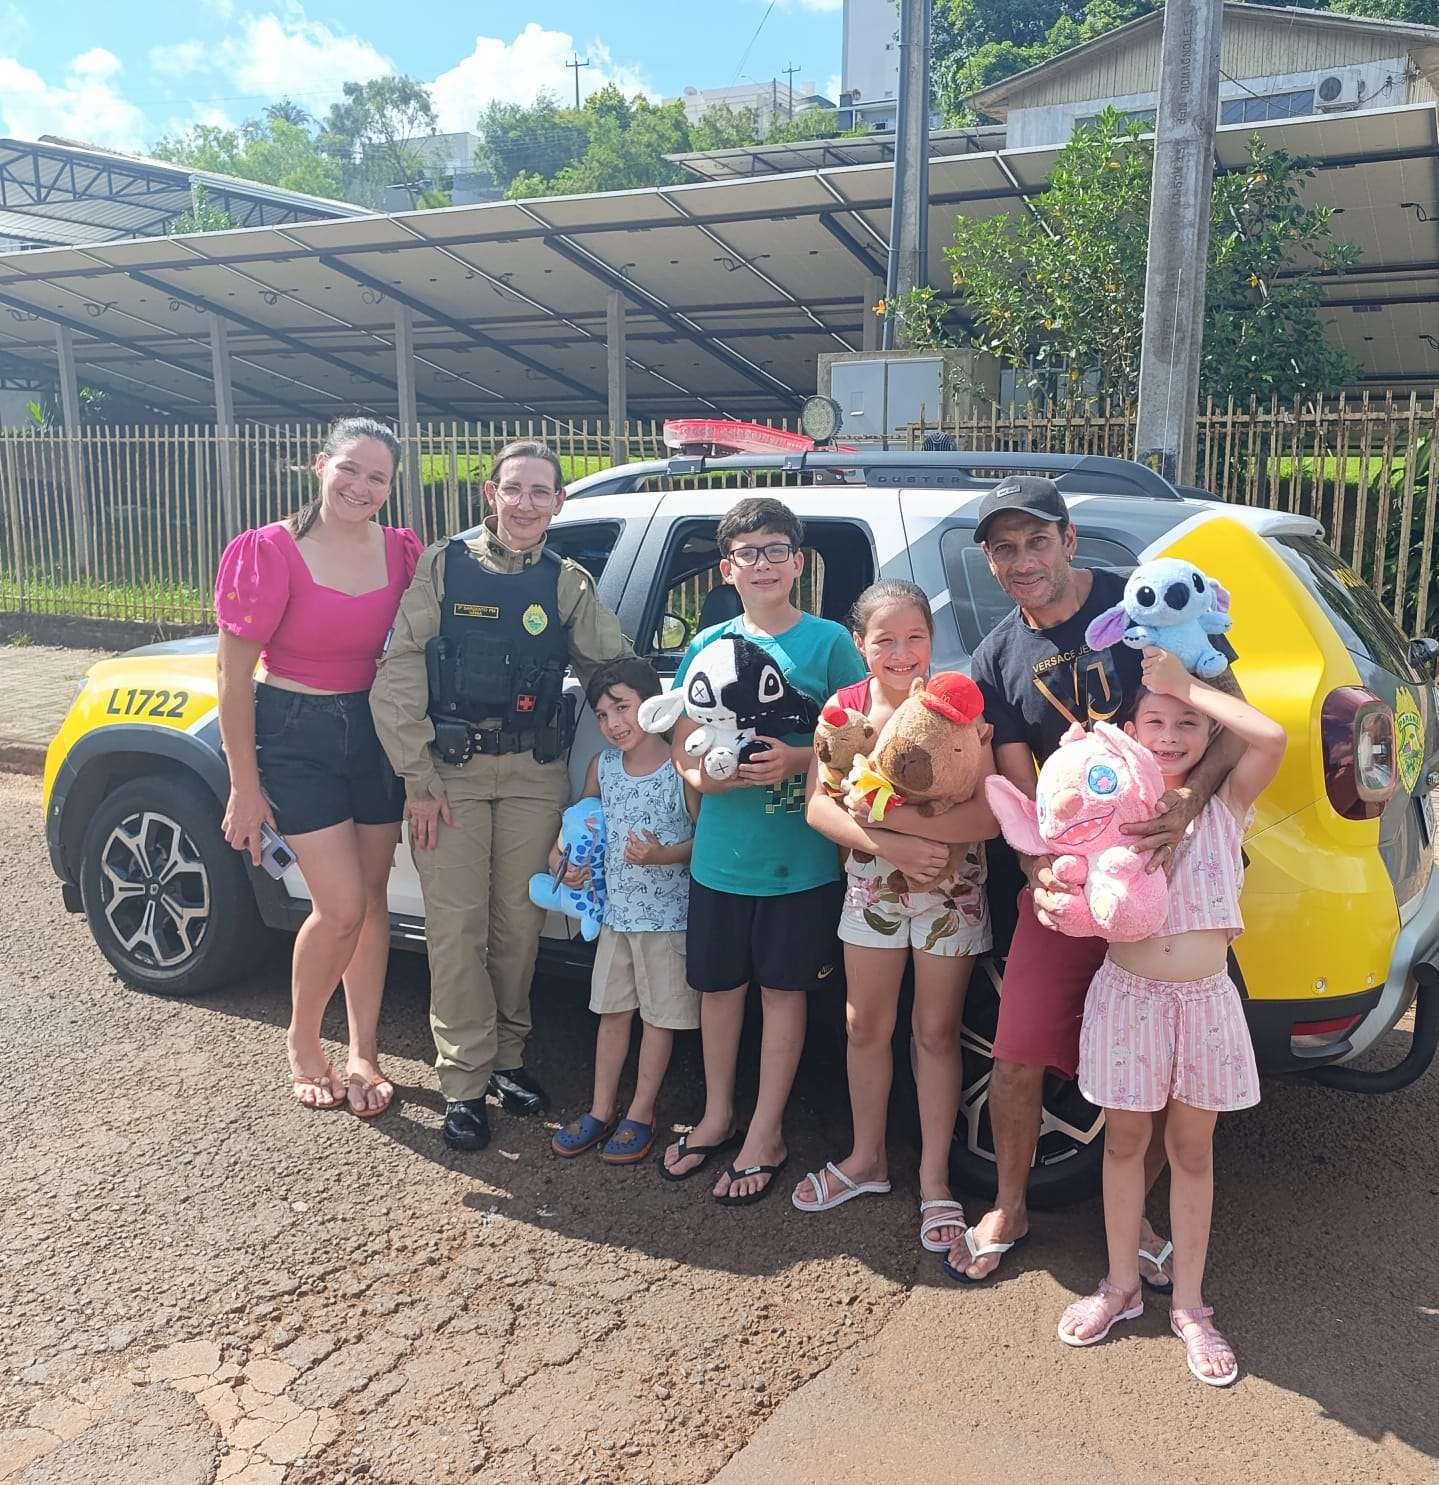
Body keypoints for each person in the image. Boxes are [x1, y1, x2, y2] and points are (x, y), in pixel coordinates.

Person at [957, 475, 1244, 1282]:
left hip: (1168, 878)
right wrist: (1037, 867)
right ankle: (1010, 1204)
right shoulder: (995, 657)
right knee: (1016, 1053)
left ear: (1068, 540)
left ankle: (1135, 1218)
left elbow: (1234, 715)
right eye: (1004, 549)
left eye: (1036, 540)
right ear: (989, 561)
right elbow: (1017, 786)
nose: (1022, 560)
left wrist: (1187, 800)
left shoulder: (1144, 602)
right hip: (1071, 891)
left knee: (1162, 1073)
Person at [370, 440, 629, 1153]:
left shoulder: (565, 582)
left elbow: (613, 666)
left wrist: (663, 727)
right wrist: (417, 779)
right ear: (491, 493)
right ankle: (463, 1080)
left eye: (540, 491)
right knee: (457, 932)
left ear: (558, 503)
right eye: (513, 488)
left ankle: (507, 1059)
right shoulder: (444, 566)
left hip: (532, 776)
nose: (525, 503)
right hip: (447, 777)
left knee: (518, 927)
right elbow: (400, 669)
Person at [1057, 646, 1283, 1387]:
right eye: (1154, 721)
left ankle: (1188, 1303)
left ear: (1209, 732)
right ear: (1131, 730)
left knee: (1191, 1151)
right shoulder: (1114, 805)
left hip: (1204, 1003)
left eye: (1187, 723)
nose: (1169, 735)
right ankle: (1120, 1284)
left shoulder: (1225, 801)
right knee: (1124, 1143)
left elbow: (1269, 736)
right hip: (1128, 998)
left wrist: (1187, 686)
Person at [659, 496, 868, 1205]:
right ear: (727, 568)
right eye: (748, 553)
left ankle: (766, 1131)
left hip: (799, 861)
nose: (763, 564)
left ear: (797, 562)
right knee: (718, 991)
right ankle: (718, 1114)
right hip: (719, 856)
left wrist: (796, 759)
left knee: (783, 993)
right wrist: (701, 777)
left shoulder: (828, 643)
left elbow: (859, 738)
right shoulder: (706, 643)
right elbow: (683, 741)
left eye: (776, 549)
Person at [215, 416, 423, 1116]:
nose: (360, 486)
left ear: (391, 487)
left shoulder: (402, 552)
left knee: (372, 900)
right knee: (338, 907)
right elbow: (232, 677)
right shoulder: (267, 551)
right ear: (319, 464)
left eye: (377, 477)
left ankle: (364, 1051)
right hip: (295, 732)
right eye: (349, 469)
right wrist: (244, 787)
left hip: (376, 732)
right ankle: (304, 1041)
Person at [790, 581, 998, 1254]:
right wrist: (891, 845)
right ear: (859, 643)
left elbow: (989, 815)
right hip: (871, 889)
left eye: (915, 637)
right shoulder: (844, 709)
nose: (901, 652)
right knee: (864, 1025)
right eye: (884, 639)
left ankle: (935, 1178)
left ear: (931, 641)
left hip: (950, 890)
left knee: (935, 1032)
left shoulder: (955, 704)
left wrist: (905, 829)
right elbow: (818, 806)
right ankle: (866, 1159)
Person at [550, 658, 700, 1165]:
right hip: (615, 918)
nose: (613, 723)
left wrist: (662, 855)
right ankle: (600, 1109)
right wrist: (563, 861)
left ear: (651, 705)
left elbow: (704, 840)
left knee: (658, 1019)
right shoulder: (604, 767)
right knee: (612, 1013)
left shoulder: (681, 768)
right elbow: (579, 825)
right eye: (602, 714)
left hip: (667, 921)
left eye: (623, 707)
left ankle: (641, 1111)